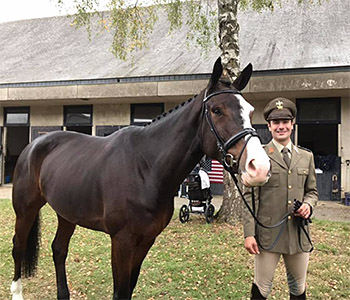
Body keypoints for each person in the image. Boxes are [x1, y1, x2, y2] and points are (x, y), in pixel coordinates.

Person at [242, 97, 318, 300]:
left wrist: (308, 206)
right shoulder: (260, 156)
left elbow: (312, 191)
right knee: (262, 289)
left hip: (298, 235)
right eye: (276, 122)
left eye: (285, 122)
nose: (281, 127)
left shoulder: (306, 157)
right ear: (269, 125)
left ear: (292, 125)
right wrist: (249, 234)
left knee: (298, 287)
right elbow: (249, 197)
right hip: (268, 235)